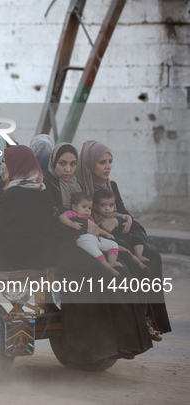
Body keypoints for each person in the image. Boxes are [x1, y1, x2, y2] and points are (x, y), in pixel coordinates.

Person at [44, 143, 153, 361]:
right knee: (101, 273)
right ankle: (93, 347)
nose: (68, 169)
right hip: (60, 246)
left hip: (83, 241)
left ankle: (126, 341)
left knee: (122, 268)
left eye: (72, 164)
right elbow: (53, 224)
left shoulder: (76, 186)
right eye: (62, 164)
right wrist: (86, 228)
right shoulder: (48, 187)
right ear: (53, 164)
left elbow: (93, 215)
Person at [76, 139, 171, 338]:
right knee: (131, 264)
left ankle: (152, 318)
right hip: (101, 241)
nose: (108, 166)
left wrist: (119, 221)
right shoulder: (80, 188)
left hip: (120, 235)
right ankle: (138, 324)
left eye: (110, 161)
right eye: (102, 162)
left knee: (153, 257)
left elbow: (125, 214)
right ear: (89, 163)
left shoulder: (112, 185)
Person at [59, 192, 121, 276]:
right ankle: (108, 267)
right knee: (97, 253)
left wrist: (106, 234)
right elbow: (62, 217)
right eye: (84, 207)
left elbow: (96, 228)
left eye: (89, 208)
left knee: (113, 245)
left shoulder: (89, 218)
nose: (87, 210)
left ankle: (112, 261)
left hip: (96, 239)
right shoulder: (73, 213)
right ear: (74, 207)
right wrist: (71, 224)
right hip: (83, 240)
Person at [93, 188, 149, 266]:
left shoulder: (114, 214)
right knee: (125, 247)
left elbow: (127, 216)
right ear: (95, 207)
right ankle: (137, 261)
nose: (107, 208)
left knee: (137, 239)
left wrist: (129, 222)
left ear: (114, 206)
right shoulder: (95, 216)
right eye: (103, 205)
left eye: (110, 205)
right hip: (114, 239)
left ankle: (139, 255)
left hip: (123, 235)